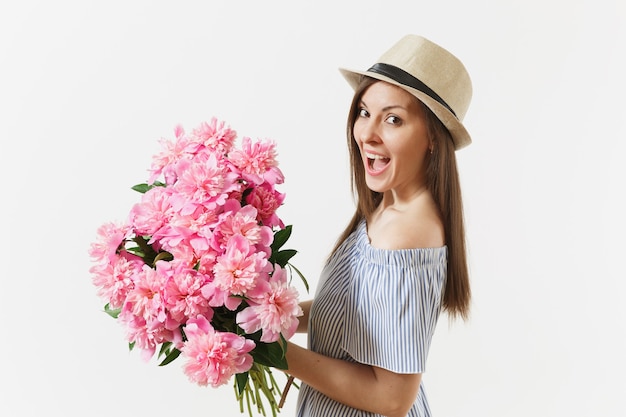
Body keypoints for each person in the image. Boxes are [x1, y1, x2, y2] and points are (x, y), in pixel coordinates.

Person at [282, 34, 473, 417]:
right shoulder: (388, 209)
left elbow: (391, 398)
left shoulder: (406, 233)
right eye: (364, 112)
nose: (367, 134)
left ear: (433, 138)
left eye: (393, 119)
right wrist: (265, 317)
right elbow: (352, 315)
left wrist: (273, 351)